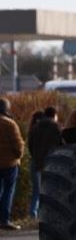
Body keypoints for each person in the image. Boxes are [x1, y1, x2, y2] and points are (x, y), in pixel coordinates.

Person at [27, 108, 62, 219]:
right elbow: (61, 144)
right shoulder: (56, 127)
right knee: (52, 191)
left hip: (36, 162)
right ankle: (49, 215)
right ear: (54, 115)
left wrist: (35, 156)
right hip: (51, 162)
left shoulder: (35, 127)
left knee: (37, 191)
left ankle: (33, 214)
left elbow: (30, 145)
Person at [0, 97, 24, 230]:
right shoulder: (10, 123)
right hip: (9, 163)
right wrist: (18, 156)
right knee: (8, 192)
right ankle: (4, 220)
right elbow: (18, 144)